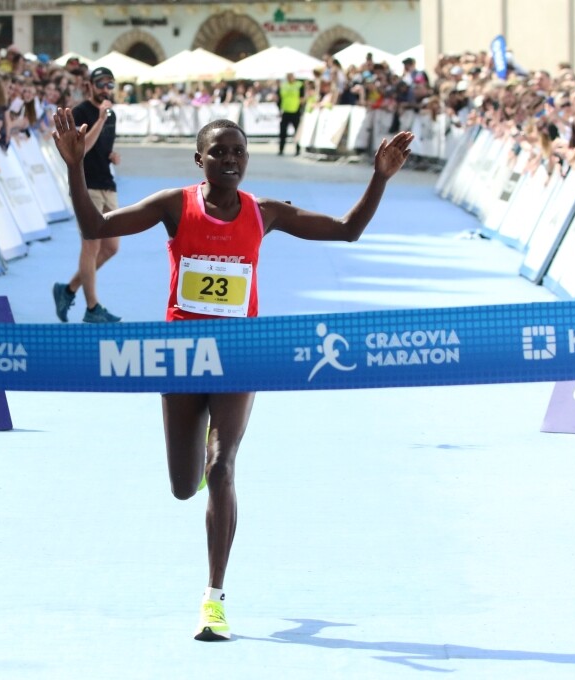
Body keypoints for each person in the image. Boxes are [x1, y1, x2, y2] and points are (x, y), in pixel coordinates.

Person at [51, 108, 413, 641]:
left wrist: (379, 177)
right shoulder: (174, 205)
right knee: (184, 486)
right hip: (181, 355)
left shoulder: (265, 212)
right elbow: (96, 228)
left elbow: (347, 231)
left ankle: (214, 599)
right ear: (199, 159)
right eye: (218, 152)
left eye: (238, 151)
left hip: (240, 353)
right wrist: (75, 166)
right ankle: (198, 468)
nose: (229, 159)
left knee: (222, 467)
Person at [52, 66, 122, 323]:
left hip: (107, 183)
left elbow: (101, 147)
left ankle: (68, 289)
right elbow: (81, 150)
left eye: (110, 84)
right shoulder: (80, 113)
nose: (105, 89)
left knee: (111, 247)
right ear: (89, 86)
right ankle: (92, 308)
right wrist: (100, 120)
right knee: (91, 246)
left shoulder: (112, 114)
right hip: (86, 185)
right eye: (101, 84)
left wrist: (111, 155)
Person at [277, 71, 303, 156]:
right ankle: (281, 149)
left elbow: (302, 97)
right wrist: (279, 109)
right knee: (283, 132)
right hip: (285, 112)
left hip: (296, 112)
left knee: (297, 132)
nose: (290, 78)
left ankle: (298, 150)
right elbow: (280, 99)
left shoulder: (299, 85)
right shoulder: (283, 86)